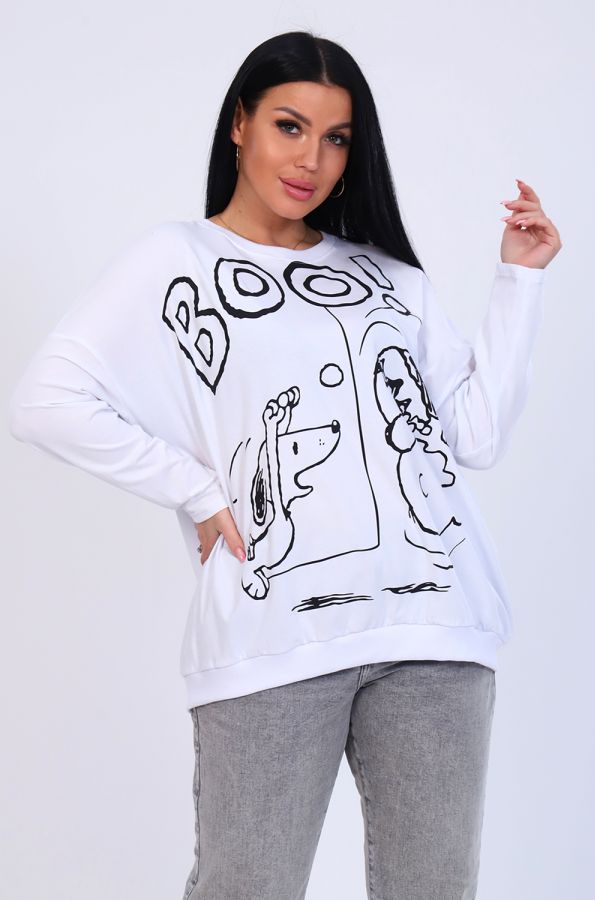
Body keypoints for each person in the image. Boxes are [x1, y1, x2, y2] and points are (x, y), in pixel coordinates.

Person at [8, 29, 561, 900]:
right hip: (273, 641)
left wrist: (519, 282)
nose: (312, 160)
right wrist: (195, 490)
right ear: (240, 124)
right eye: (289, 126)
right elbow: (46, 400)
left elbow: (477, 434)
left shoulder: (387, 274)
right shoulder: (177, 260)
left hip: (434, 630)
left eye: (336, 138)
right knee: (247, 886)